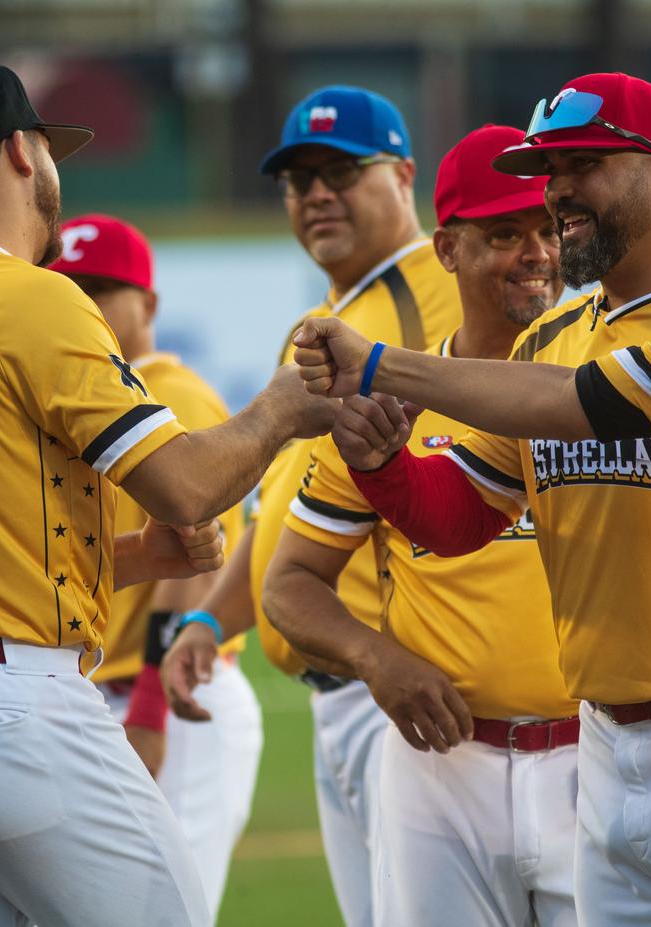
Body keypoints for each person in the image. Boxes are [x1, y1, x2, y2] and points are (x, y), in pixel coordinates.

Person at [0, 64, 332, 927]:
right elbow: (185, 484)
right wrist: (283, 406)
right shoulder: (29, 295)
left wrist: (137, 554)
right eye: (49, 148)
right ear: (20, 153)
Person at [293, 73, 651, 925]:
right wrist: (384, 466)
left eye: (584, 164)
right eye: (550, 169)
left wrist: (379, 364)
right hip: (606, 747)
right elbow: (462, 514)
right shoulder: (550, 338)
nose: (557, 191)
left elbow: (585, 403)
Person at [160, 83, 462, 927]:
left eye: (341, 170)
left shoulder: (441, 289)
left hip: (404, 686)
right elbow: (287, 514)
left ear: (404, 175)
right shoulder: (321, 322)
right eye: (299, 179)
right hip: (339, 691)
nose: (317, 193)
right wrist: (212, 620)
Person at [263, 124, 580, 927]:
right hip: (442, 767)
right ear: (447, 249)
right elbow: (290, 583)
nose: (536, 253)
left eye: (547, 228)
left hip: (599, 751)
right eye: (504, 234)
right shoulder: (386, 406)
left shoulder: (598, 386)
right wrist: (376, 658)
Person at [47, 213, 263, 919]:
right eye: (70, 289)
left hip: (176, 692)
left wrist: (149, 703)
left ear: (148, 302)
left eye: (100, 290)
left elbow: (196, 559)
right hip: (98, 692)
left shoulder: (173, 392)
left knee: (165, 912)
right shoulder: (79, 392)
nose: (85, 305)